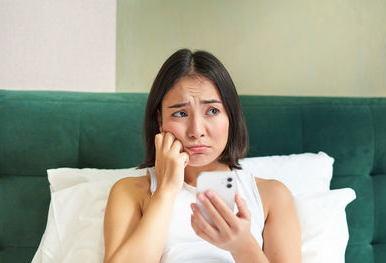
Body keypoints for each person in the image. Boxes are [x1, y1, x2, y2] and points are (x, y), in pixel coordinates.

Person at [103, 49, 301, 263]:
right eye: (180, 113)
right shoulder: (131, 193)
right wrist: (166, 192)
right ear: (160, 120)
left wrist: (241, 245)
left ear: (230, 117)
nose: (196, 130)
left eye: (212, 111)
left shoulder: (272, 196)